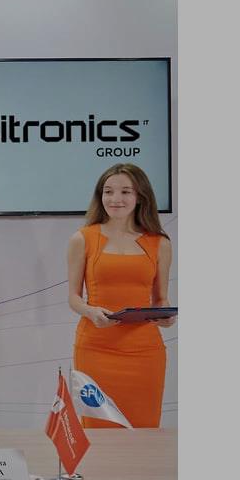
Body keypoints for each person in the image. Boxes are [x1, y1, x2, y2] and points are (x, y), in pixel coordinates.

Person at [67, 163, 173, 428]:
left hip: (145, 352)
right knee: (98, 430)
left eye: (125, 191)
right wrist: (91, 311)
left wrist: (166, 316)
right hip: (95, 348)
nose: (115, 199)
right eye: (108, 191)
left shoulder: (159, 243)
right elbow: (73, 298)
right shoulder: (82, 238)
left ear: (140, 197)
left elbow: (161, 299)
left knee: (144, 429)